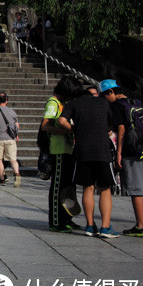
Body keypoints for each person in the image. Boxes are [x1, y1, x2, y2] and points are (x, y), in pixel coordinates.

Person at [57, 79, 120, 238]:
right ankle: (105, 227)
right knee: (105, 189)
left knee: (88, 188)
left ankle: (90, 226)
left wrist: (73, 129)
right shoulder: (103, 103)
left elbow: (61, 120)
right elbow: (114, 123)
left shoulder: (73, 104)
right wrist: (104, 130)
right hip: (102, 151)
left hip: (83, 151)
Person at [42, 75, 83, 232]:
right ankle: (56, 221)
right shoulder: (53, 103)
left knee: (68, 186)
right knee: (58, 186)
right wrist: (64, 131)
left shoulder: (62, 104)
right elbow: (45, 126)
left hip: (68, 149)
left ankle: (67, 218)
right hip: (58, 149)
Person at [117, 80, 143, 238]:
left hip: (133, 151)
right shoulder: (138, 103)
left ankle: (141, 226)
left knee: (136, 190)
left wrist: (119, 153)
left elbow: (121, 130)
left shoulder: (120, 106)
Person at [0, 92, 21, 186]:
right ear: (6, 100)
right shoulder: (12, 111)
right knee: (13, 159)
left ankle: (2, 178)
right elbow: (17, 125)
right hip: (10, 138)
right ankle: (17, 173)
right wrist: (15, 134)